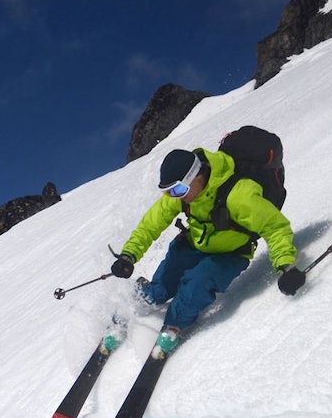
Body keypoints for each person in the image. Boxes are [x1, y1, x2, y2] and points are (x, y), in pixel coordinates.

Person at [109, 146, 306, 359]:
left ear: (197, 177)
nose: (174, 197)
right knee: (162, 288)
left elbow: (275, 227)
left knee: (195, 286)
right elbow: (150, 225)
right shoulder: (181, 195)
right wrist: (128, 255)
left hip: (229, 254)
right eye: (168, 192)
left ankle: (173, 326)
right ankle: (135, 306)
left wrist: (285, 266)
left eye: (177, 190)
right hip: (193, 244)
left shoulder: (239, 195)